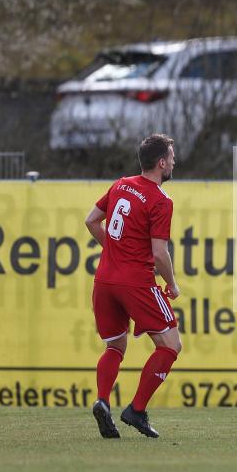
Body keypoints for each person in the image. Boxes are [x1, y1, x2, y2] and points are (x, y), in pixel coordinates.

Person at [84, 134, 182, 439]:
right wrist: (172, 283)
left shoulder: (121, 185)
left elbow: (91, 221)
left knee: (115, 346)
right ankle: (136, 410)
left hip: (104, 280)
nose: (175, 161)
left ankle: (102, 400)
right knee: (171, 345)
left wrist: (114, 251)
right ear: (161, 163)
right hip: (135, 283)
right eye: (172, 156)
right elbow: (159, 253)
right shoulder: (161, 200)